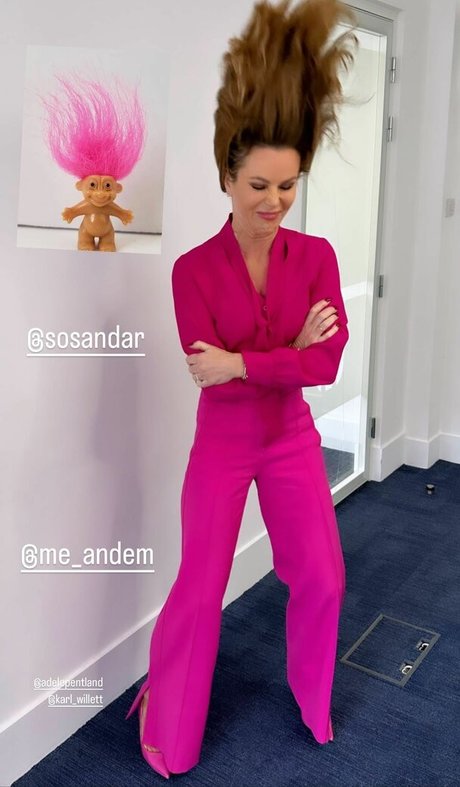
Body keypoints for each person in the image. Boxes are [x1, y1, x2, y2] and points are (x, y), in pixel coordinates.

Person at [125, 0, 357, 778]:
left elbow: (326, 364)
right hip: (223, 446)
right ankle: (166, 718)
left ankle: (313, 701)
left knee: (324, 575)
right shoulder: (192, 271)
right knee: (200, 588)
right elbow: (206, 370)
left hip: (290, 439)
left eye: (288, 185)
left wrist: (249, 362)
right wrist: (287, 351)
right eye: (259, 183)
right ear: (227, 175)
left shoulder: (317, 258)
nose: (274, 201)